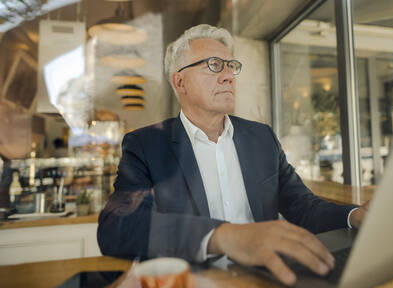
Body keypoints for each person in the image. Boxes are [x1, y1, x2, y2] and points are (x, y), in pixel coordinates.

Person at [98, 24, 369, 286]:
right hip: (195, 282)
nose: (228, 75)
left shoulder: (261, 138)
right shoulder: (146, 144)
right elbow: (118, 226)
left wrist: (353, 215)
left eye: (231, 66)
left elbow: (302, 205)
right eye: (214, 65)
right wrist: (222, 235)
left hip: (268, 279)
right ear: (180, 82)